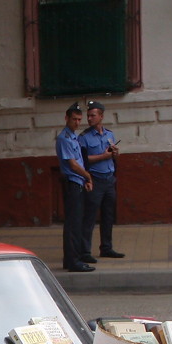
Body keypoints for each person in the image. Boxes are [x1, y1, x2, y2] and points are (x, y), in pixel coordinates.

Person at [78, 100, 124, 263]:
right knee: (89, 217)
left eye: (93, 115)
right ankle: (84, 251)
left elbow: (112, 155)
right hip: (94, 179)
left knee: (108, 216)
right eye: (88, 116)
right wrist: (104, 156)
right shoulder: (84, 137)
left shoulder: (109, 134)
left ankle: (106, 247)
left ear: (101, 117)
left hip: (109, 179)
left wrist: (114, 154)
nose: (89, 119)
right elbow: (82, 160)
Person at [56, 104, 95, 272]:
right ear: (66, 118)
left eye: (80, 120)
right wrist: (87, 175)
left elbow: (79, 161)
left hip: (78, 182)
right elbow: (72, 164)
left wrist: (85, 178)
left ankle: (72, 259)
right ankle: (73, 261)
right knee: (73, 224)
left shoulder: (73, 137)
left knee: (77, 223)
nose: (77, 123)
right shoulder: (64, 138)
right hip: (72, 183)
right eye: (74, 119)